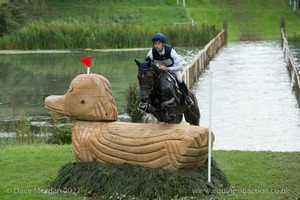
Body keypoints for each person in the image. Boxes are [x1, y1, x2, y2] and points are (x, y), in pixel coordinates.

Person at [145, 33, 194, 106]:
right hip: (160, 70)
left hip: (173, 68)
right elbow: (146, 64)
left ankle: (187, 97)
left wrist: (168, 69)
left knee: (179, 79)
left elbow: (180, 67)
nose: (157, 46)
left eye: (159, 43)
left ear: (163, 44)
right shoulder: (151, 52)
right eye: (155, 44)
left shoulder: (170, 51)